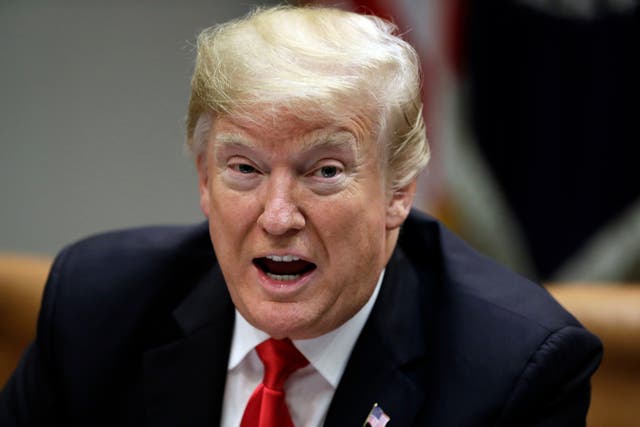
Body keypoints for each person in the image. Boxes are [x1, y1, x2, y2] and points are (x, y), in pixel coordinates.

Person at [0, 5, 602, 427]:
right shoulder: (96, 304)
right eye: (244, 169)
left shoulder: (514, 368)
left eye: (325, 171)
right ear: (204, 180)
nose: (279, 216)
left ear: (399, 191)